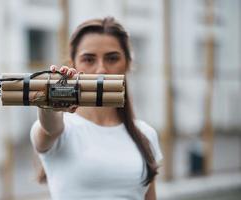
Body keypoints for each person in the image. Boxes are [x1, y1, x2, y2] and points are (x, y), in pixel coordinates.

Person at [30, 17, 163, 200]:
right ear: (74, 65)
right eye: (89, 59)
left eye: (112, 58)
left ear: (128, 64)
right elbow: (49, 128)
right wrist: (50, 102)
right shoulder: (63, 129)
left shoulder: (146, 134)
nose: (101, 69)